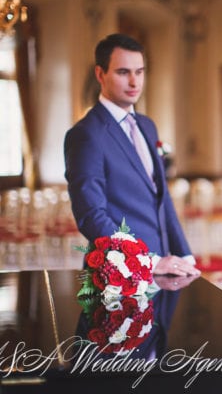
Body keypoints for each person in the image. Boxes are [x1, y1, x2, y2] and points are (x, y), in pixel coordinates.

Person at [64, 33, 200, 277]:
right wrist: (148, 260)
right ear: (100, 74)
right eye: (123, 72)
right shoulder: (86, 134)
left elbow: (162, 198)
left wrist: (185, 256)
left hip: (162, 264)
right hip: (117, 273)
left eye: (140, 72)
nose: (134, 82)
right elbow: (91, 216)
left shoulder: (147, 126)